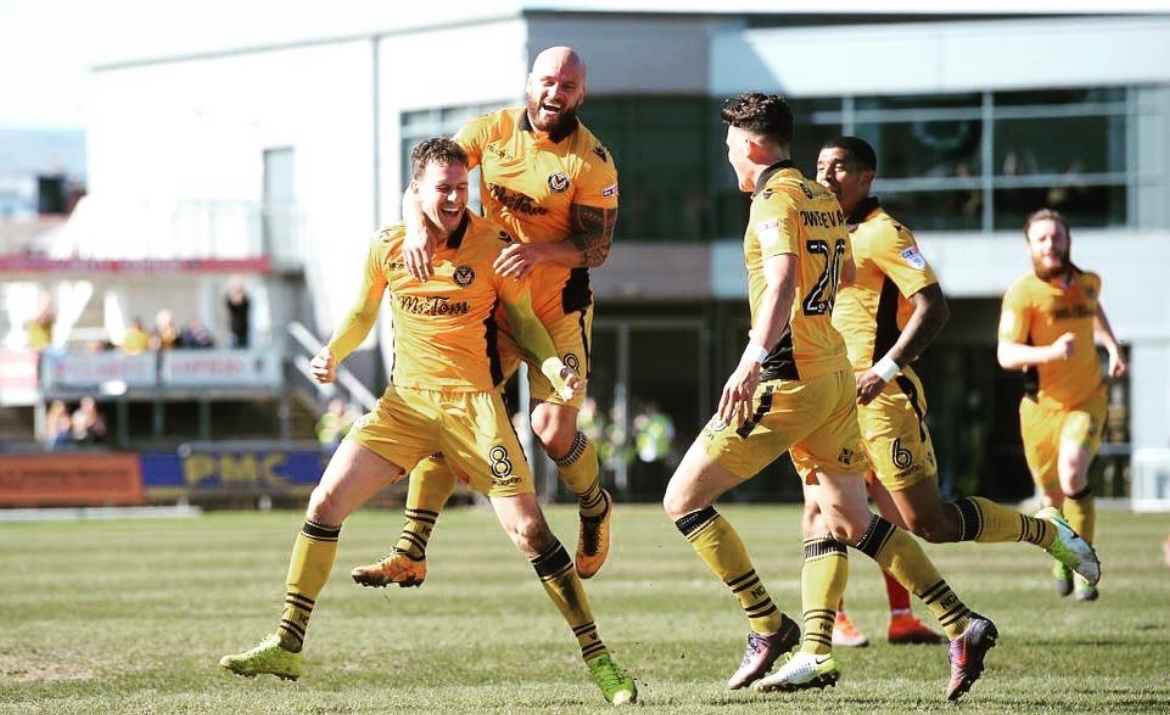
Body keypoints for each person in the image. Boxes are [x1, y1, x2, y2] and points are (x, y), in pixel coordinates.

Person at [219, 139, 636, 705]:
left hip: (475, 409)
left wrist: (554, 365)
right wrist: (333, 353)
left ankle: (601, 660)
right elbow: (364, 312)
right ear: (415, 191)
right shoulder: (388, 245)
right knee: (323, 505)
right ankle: (288, 642)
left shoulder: (493, 244)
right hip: (405, 407)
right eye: (442, 188)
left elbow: (524, 323)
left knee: (532, 533)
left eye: (460, 188)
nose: (453, 199)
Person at [663, 92, 1000, 702]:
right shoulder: (822, 199)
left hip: (786, 377)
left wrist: (749, 359)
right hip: (835, 377)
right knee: (849, 519)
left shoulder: (774, 198)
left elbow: (787, 276)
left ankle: (767, 625)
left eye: (731, 146)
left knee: (682, 500)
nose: (729, 158)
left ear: (755, 146)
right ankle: (961, 623)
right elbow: (839, 277)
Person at [813, 137, 1100, 646]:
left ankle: (1047, 531)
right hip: (834, 400)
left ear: (866, 178)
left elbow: (934, 308)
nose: (827, 177)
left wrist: (883, 368)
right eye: (821, 168)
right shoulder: (829, 234)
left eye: (840, 168)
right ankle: (818, 642)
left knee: (929, 523)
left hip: (882, 398)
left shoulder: (884, 234)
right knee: (825, 513)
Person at [352, 46, 620, 587]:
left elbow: (597, 246)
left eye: (567, 86)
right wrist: (418, 224)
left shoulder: (591, 161)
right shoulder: (490, 131)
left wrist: (541, 253)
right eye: (548, 81)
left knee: (550, 430)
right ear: (529, 83)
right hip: (494, 308)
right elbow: (428, 177)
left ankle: (593, 505)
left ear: (581, 94)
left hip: (556, 308)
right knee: (447, 412)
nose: (555, 93)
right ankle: (411, 549)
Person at [997, 207, 1125, 602]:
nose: (1051, 244)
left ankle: (1087, 569)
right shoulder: (1022, 294)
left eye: (1057, 237)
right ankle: (1063, 556)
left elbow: (1094, 311)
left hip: (1087, 400)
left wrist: (1113, 346)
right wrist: (1051, 353)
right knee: (1052, 501)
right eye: (1042, 239)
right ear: (1030, 247)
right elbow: (1006, 354)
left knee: (1073, 476)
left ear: (1068, 241)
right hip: (1039, 410)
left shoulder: (1089, 283)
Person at [225, 277, 251, 348]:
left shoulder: (245, 304)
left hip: (245, 332)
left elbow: (245, 300)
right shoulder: (231, 305)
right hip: (234, 333)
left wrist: (241, 291)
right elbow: (229, 301)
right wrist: (233, 290)